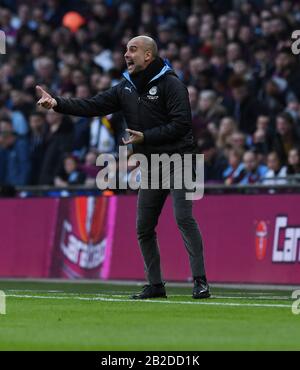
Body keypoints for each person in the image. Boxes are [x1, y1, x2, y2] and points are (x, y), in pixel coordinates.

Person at [36, 35, 210, 300]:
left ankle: (200, 281)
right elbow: (92, 105)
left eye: (132, 50)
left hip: (181, 160)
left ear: (148, 55)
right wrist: (57, 103)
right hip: (151, 165)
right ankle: (155, 285)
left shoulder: (171, 84)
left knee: (183, 218)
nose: (126, 55)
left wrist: (146, 137)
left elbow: (182, 124)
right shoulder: (125, 88)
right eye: (125, 50)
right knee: (143, 226)